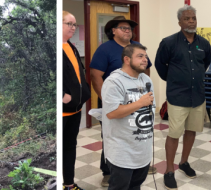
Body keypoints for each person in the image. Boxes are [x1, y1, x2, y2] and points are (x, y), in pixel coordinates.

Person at [90, 16, 155, 185]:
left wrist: (143, 91)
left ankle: (137, 164)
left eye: (130, 28)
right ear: (113, 31)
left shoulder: (136, 47)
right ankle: (109, 170)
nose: (128, 31)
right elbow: (95, 75)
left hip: (138, 99)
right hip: (114, 99)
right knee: (113, 137)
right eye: (123, 28)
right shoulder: (105, 49)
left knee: (136, 133)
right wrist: (108, 100)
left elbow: (146, 71)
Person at [154, 5, 211, 189]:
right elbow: (160, 65)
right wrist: (174, 80)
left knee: (192, 131)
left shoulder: (203, 44)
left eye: (193, 18)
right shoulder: (169, 42)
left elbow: (206, 63)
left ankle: (184, 162)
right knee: (174, 133)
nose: (191, 21)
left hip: (198, 96)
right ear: (179, 22)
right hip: (178, 97)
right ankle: (169, 170)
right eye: (187, 18)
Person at [101, 44, 155, 190]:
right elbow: (112, 113)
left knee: (135, 186)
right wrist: (140, 103)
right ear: (126, 59)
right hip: (121, 151)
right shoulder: (113, 82)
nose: (145, 60)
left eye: (145, 56)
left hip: (142, 149)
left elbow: (151, 107)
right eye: (140, 56)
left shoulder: (146, 80)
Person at [61, 11, 90, 190]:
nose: (73, 27)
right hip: (63, 110)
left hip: (76, 109)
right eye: (68, 23)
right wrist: (62, 96)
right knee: (60, 148)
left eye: (74, 24)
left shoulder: (71, 46)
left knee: (70, 147)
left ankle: (69, 185)